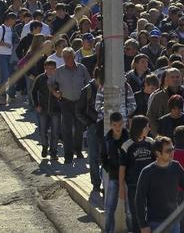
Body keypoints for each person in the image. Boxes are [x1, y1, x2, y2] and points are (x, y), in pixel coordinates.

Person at [136, 136, 184, 233]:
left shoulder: (176, 167)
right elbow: (139, 200)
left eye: (173, 149)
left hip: (175, 222)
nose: (172, 153)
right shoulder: (147, 172)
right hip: (156, 223)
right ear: (158, 153)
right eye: (168, 151)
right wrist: (143, 225)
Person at [47, 47, 91, 164]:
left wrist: (87, 97)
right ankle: (68, 155)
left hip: (80, 103)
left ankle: (78, 150)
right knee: (67, 130)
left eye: (69, 57)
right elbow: (50, 82)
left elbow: (89, 82)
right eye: (64, 57)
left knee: (79, 129)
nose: (66, 59)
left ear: (74, 57)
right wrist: (54, 92)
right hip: (66, 102)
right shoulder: (59, 71)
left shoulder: (81, 68)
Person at [120, 115, 155, 233]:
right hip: (134, 186)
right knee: (136, 216)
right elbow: (122, 168)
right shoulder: (127, 145)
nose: (149, 129)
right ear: (140, 128)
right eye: (147, 126)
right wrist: (121, 187)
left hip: (151, 186)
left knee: (151, 214)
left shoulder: (151, 142)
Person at [102, 112, 131, 233]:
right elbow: (102, 157)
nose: (118, 128)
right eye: (115, 125)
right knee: (109, 209)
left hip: (128, 178)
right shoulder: (107, 140)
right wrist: (110, 169)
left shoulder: (128, 138)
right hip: (114, 176)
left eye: (120, 124)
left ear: (123, 124)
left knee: (129, 211)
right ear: (110, 125)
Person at [78, 65, 103, 194]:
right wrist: (89, 123)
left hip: (106, 126)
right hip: (93, 127)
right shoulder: (87, 90)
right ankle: (96, 183)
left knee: (105, 156)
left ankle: (105, 182)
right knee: (93, 156)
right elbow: (78, 111)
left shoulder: (108, 89)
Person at [30, 59, 60, 160]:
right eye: (47, 68)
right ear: (44, 68)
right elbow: (33, 92)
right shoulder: (40, 78)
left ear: (55, 69)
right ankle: (44, 145)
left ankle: (53, 152)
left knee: (55, 132)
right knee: (43, 130)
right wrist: (36, 105)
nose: (49, 71)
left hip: (56, 109)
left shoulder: (59, 79)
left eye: (52, 68)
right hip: (43, 108)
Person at [0, 12, 17, 107]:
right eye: (13, 20)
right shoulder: (0, 29)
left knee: (12, 76)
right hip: (2, 56)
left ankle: (11, 96)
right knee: (4, 78)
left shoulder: (10, 28)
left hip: (11, 56)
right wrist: (4, 44)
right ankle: (2, 99)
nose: (14, 22)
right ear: (9, 19)